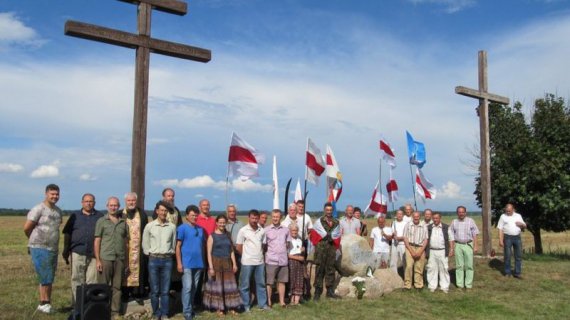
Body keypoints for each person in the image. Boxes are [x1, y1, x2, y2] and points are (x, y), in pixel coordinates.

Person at [24, 184, 63, 314]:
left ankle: (46, 303)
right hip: (39, 246)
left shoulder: (58, 211)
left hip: (52, 247)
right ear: (46, 194)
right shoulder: (38, 209)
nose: (55, 196)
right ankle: (44, 303)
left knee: (49, 275)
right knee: (45, 275)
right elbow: (27, 227)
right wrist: (33, 240)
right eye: (52, 194)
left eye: (57, 194)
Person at [62, 193, 103, 308]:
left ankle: (89, 305)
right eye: (86, 201)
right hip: (77, 251)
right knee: (77, 279)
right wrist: (66, 250)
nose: (88, 203)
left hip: (94, 253)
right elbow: (67, 233)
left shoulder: (100, 216)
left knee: (92, 280)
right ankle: (76, 305)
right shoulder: (75, 215)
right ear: (82, 203)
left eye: (91, 201)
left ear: (94, 203)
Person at [94, 196, 128, 318]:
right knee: (103, 286)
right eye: (111, 205)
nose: (113, 207)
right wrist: (98, 260)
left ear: (119, 207)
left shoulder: (123, 223)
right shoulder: (101, 221)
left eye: (115, 205)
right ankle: (102, 310)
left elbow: (126, 242)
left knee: (117, 287)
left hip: (119, 258)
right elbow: (97, 241)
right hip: (105, 258)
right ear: (107, 206)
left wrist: (127, 261)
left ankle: (115, 312)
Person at [143, 201, 177, 320]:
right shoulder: (150, 226)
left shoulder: (172, 227)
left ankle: (164, 313)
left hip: (167, 260)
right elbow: (145, 244)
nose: (163, 212)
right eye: (161, 210)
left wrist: (168, 253)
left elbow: (173, 244)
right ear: (157, 211)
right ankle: (156, 313)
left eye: (165, 211)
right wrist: (151, 255)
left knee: (165, 289)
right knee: (154, 289)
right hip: (153, 260)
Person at [203, 215, 242, 315]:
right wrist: (211, 267)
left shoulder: (228, 235)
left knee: (230, 286)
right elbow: (208, 252)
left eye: (224, 222)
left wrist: (234, 264)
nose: (222, 224)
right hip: (216, 263)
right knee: (217, 287)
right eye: (220, 222)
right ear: (216, 223)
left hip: (227, 263)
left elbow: (231, 250)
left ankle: (231, 307)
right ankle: (219, 308)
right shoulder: (212, 236)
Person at [236, 209, 270, 312]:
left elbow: (264, 246)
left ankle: (262, 304)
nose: (254, 220)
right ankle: (246, 305)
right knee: (244, 285)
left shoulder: (262, 231)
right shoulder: (243, 230)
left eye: (256, 218)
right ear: (249, 218)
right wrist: (246, 256)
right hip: (247, 262)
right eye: (252, 218)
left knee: (261, 284)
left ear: (258, 218)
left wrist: (258, 255)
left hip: (260, 262)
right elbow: (238, 247)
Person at [176, 205, 205, 320]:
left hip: (198, 264)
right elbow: (178, 247)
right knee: (187, 287)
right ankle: (187, 312)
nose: (194, 217)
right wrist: (179, 263)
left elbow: (201, 246)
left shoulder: (200, 229)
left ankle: (191, 309)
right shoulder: (182, 228)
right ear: (187, 216)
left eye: (196, 215)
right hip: (186, 263)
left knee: (194, 288)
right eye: (192, 215)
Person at [310, 202, 341, 300]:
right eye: (327, 210)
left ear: (332, 211)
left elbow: (337, 235)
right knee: (319, 270)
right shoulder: (319, 221)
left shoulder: (336, 222)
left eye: (330, 210)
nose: (329, 212)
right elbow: (313, 235)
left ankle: (329, 291)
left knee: (330, 270)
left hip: (331, 249)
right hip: (321, 249)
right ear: (324, 210)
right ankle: (317, 292)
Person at [121, 192, 148, 301]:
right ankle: (125, 294)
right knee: (124, 270)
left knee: (139, 271)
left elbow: (145, 230)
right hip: (125, 247)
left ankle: (138, 293)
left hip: (138, 248)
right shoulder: (120, 214)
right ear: (125, 201)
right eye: (129, 200)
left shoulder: (142, 214)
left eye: (133, 200)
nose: (131, 202)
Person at [264, 209, 289, 308]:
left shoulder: (286, 230)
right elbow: (264, 245)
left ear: (280, 217)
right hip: (271, 260)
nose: (275, 219)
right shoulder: (266, 230)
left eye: (277, 217)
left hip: (283, 260)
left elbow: (288, 243)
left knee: (282, 281)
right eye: (274, 217)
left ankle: (282, 301)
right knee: (269, 282)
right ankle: (269, 301)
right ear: (271, 217)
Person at [450, 205, 479, 290]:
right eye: (459, 212)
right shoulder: (454, 222)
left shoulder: (470, 221)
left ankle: (468, 285)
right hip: (458, 245)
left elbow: (475, 234)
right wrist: (452, 247)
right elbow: (451, 234)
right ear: (457, 213)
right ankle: (460, 285)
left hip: (468, 245)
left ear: (465, 213)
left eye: (463, 212)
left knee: (469, 266)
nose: (461, 214)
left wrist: (476, 245)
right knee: (459, 266)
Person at [426, 212, 454, 293]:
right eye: (434, 218)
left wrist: (451, 249)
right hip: (431, 251)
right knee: (431, 268)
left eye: (437, 218)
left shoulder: (446, 227)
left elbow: (451, 239)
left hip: (442, 251)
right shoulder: (428, 227)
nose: (435, 220)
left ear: (440, 218)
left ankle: (444, 287)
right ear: (432, 218)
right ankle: (432, 286)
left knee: (444, 268)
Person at [498, 203, 526, 279]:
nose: (508, 212)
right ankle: (507, 273)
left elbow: (524, 225)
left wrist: (521, 224)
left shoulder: (518, 216)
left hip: (517, 238)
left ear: (513, 209)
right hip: (507, 238)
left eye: (509, 211)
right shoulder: (503, 216)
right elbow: (500, 228)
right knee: (507, 256)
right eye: (507, 211)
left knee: (518, 256)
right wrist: (500, 240)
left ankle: (517, 273)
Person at [403, 211, 428, 290]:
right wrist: (411, 251)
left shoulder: (424, 225)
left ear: (420, 217)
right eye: (414, 216)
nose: (416, 218)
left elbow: (426, 239)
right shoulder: (408, 225)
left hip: (420, 247)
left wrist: (421, 251)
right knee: (409, 266)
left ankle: (418, 285)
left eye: (417, 216)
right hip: (410, 246)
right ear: (412, 217)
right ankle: (407, 285)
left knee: (419, 267)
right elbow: (405, 239)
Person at [225, 204, 244, 281]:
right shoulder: (223, 223)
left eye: (233, 211)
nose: (232, 213)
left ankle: (235, 290)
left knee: (237, 272)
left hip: (238, 252)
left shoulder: (241, 224)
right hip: (226, 252)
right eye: (230, 211)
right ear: (227, 212)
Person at [287, 224, 305, 306]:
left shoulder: (300, 240)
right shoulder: (288, 240)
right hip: (292, 261)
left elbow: (300, 252)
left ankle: (297, 301)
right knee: (292, 279)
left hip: (300, 262)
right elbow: (287, 254)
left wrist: (303, 251)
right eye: (293, 230)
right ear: (290, 231)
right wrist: (297, 258)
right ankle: (291, 300)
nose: (294, 232)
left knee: (299, 280)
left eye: (296, 230)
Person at [390, 209, 407, 274]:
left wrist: (399, 238)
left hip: (403, 244)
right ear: (396, 215)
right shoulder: (393, 223)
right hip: (394, 244)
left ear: (403, 215)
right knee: (393, 262)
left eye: (401, 214)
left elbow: (406, 236)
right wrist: (393, 234)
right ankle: (394, 277)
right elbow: (391, 234)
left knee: (405, 261)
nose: (399, 215)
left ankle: (406, 278)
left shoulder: (406, 223)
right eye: (398, 214)